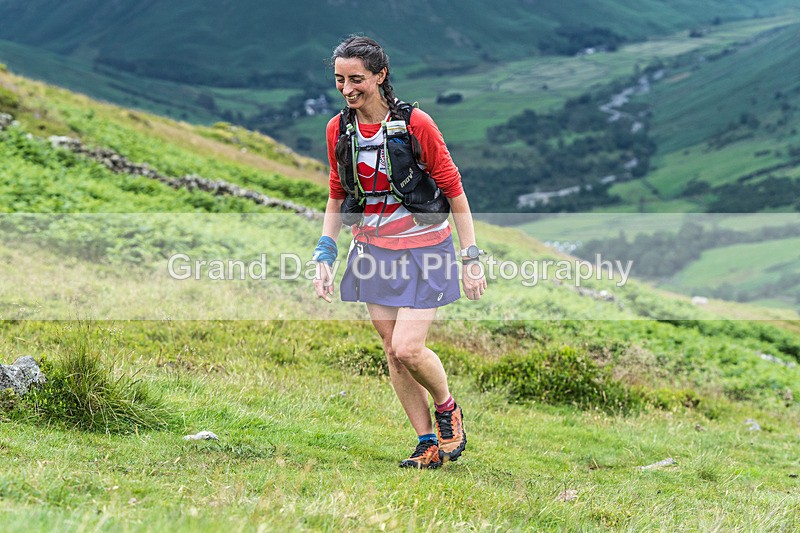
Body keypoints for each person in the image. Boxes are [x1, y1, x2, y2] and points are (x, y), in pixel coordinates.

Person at [312, 35, 487, 469]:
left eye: (357, 79)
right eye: (339, 80)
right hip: (371, 252)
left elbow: (454, 189)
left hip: (426, 251)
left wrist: (471, 257)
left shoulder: (416, 124)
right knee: (392, 350)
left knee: (409, 348)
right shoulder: (339, 129)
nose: (347, 89)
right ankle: (426, 441)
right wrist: (325, 253)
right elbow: (337, 192)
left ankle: (447, 408)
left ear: (380, 75)